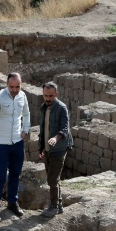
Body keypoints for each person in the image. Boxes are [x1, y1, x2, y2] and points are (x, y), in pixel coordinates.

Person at [0, 72, 31, 222]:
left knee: (15, 174)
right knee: (0, 176)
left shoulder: (23, 96)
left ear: (21, 85)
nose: (15, 90)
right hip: (1, 143)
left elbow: (27, 114)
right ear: (7, 84)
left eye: (17, 86)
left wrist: (25, 130)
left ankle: (12, 203)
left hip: (17, 142)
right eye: (12, 86)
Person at [38, 82, 73, 217]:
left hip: (59, 149)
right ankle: (58, 205)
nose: (48, 99)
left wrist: (56, 139)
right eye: (45, 96)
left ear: (56, 94)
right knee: (53, 178)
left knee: (52, 179)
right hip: (48, 149)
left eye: (51, 96)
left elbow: (65, 128)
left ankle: (53, 206)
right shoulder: (44, 108)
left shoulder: (61, 108)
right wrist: (41, 147)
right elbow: (43, 129)